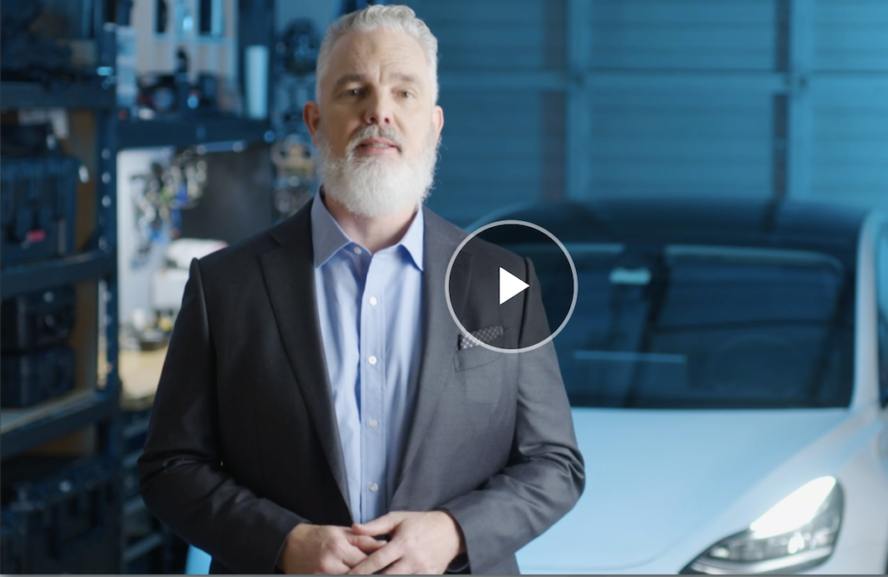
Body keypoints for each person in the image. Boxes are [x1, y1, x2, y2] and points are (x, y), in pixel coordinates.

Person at [137, 5, 584, 575]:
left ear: (435, 125)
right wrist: (283, 543)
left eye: (404, 93)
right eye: (354, 92)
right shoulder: (225, 285)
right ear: (315, 121)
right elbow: (170, 467)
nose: (379, 112)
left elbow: (555, 464)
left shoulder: (504, 282)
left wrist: (454, 531)